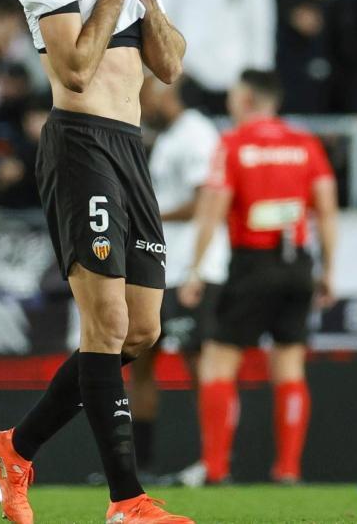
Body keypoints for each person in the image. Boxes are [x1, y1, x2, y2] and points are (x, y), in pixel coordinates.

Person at [0, 0, 192, 524]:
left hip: (130, 150)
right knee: (105, 324)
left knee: (141, 329)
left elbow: (171, 65)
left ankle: (16, 447)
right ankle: (127, 499)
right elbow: (72, 71)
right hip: (80, 144)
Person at [178, 69, 338, 486]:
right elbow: (326, 209)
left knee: (217, 361)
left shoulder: (232, 144)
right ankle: (287, 469)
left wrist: (194, 271)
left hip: (251, 264)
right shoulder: (305, 144)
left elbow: (212, 210)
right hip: (297, 263)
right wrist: (329, 270)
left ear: (247, 99)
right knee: (289, 366)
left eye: (233, 96)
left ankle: (215, 468)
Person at [128, 75, 228, 476]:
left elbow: (205, 202)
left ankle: (214, 461)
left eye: (147, 91)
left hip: (191, 266)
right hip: (161, 266)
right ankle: (138, 466)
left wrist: (145, 216)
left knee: (198, 362)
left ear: (167, 92)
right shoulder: (169, 137)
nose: (142, 100)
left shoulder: (198, 134)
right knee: (141, 360)